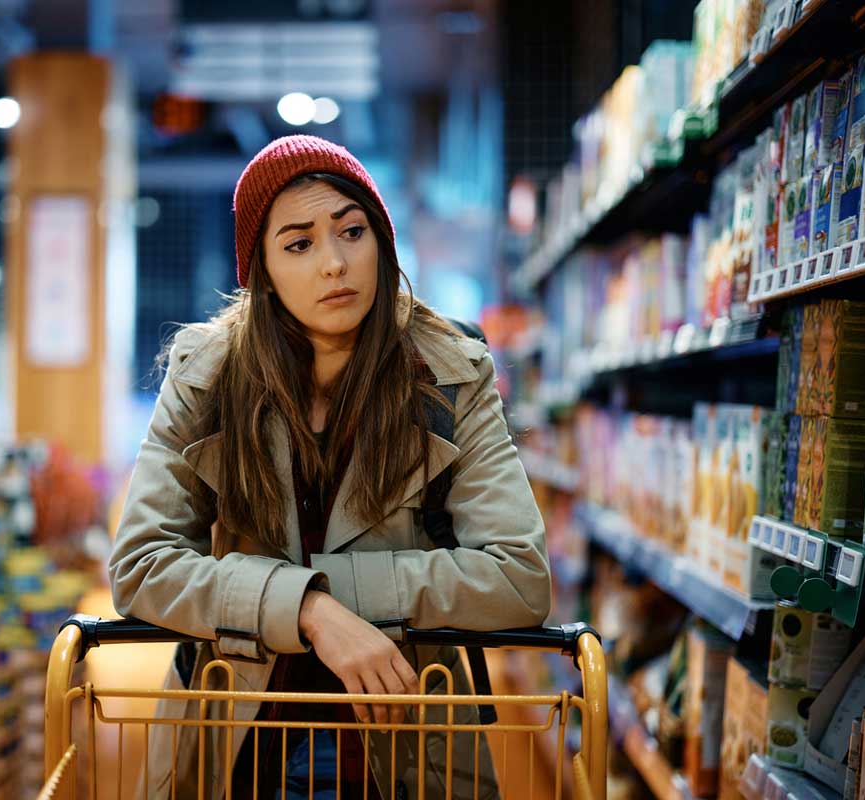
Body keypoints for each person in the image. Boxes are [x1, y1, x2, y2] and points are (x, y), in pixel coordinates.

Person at [108, 134, 551, 799]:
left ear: (383, 242)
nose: (335, 264)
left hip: (407, 732)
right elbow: (142, 565)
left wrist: (322, 593)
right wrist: (309, 610)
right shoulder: (207, 377)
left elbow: (519, 576)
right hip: (237, 736)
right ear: (260, 268)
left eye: (352, 231)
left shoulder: (451, 375)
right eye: (298, 244)